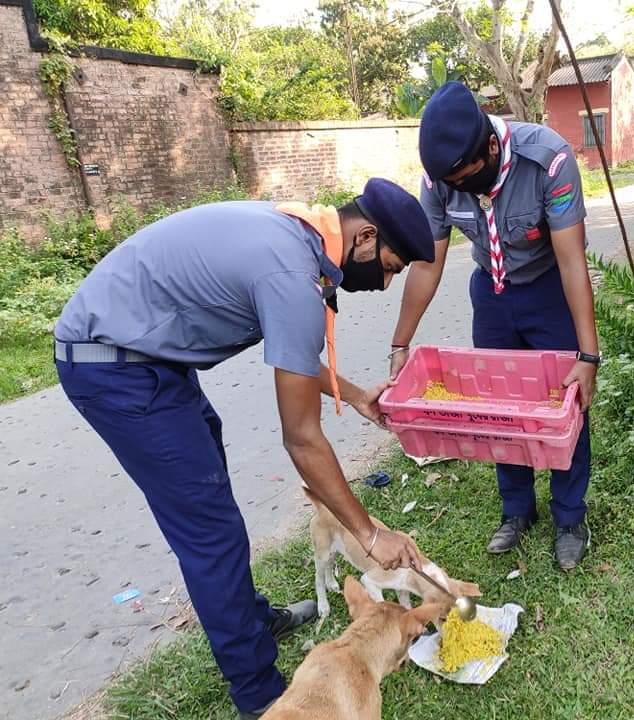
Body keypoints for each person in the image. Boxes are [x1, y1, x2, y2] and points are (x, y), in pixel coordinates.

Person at [53, 179, 434, 719]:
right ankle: (258, 695)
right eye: (393, 266)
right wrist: (370, 534)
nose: (389, 280)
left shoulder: (303, 238)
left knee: (212, 496)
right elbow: (302, 438)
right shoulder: (292, 274)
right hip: (112, 364)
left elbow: (295, 354)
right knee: (210, 531)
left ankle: (250, 621)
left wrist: (354, 395)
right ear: (366, 237)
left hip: (147, 356)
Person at [390, 82, 601, 572]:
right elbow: (427, 264)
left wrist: (587, 357)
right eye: (451, 182)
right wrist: (400, 343)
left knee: (564, 404)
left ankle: (570, 517)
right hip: (492, 294)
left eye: (467, 178)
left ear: (489, 148)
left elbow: (572, 262)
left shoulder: (549, 159)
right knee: (496, 409)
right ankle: (516, 510)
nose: (462, 189)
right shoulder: (439, 179)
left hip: (549, 291)